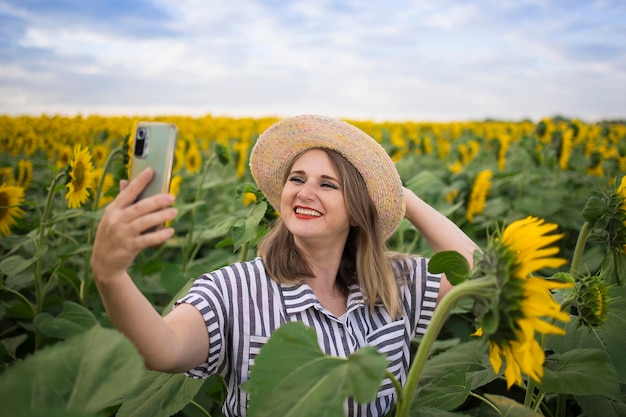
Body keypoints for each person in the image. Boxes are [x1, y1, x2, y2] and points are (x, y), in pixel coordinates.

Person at [91, 114, 479, 417]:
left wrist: (396, 194)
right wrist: (110, 274)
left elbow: (473, 270)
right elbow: (165, 350)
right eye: (297, 178)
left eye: (328, 185)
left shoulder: (392, 285)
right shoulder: (236, 290)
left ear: (358, 211)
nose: (305, 192)